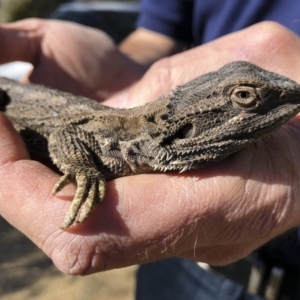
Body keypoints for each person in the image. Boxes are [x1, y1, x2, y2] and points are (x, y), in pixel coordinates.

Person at [1, 1, 300, 298]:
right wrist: (83, 168)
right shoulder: (124, 140)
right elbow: (67, 135)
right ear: (188, 128)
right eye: (245, 96)